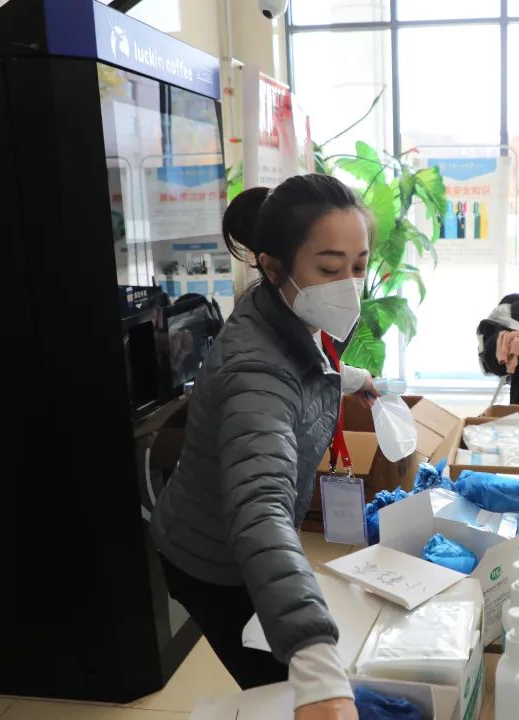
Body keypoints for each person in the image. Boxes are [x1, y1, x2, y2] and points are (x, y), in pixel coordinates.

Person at [150, 175, 380, 720]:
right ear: (273, 266)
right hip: (213, 557)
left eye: (359, 266)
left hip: (245, 542)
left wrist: (348, 378)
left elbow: (301, 364)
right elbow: (260, 507)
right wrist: (318, 672)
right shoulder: (253, 367)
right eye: (329, 269)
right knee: (286, 690)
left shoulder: (287, 311)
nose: (348, 286)